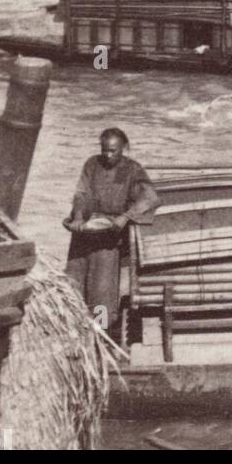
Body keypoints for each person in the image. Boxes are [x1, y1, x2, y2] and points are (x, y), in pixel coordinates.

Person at [64, 127, 158, 336]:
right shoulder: (92, 164)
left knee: (102, 290)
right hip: (84, 232)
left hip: (108, 237)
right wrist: (79, 217)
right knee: (73, 280)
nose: (107, 155)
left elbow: (151, 197)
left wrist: (126, 217)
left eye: (113, 151)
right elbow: (81, 192)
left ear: (123, 148)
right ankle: (72, 327)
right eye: (104, 150)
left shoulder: (132, 169)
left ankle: (100, 332)